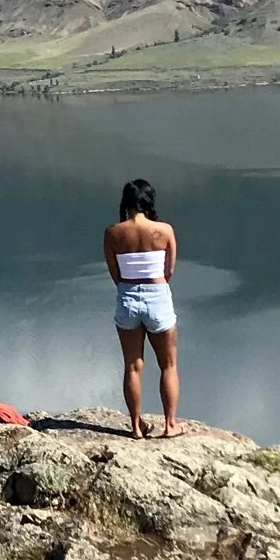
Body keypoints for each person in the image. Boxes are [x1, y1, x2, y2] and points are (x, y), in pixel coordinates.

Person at [104, 178, 181, 438]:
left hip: (127, 297)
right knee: (168, 365)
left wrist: (130, 288)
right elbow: (169, 270)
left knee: (132, 366)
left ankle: (136, 427)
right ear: (149, 201)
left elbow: (115, 274)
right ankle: (170, 425)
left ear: (126, 202)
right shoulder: (165, 230)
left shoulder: (113, 232)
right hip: (157, 295)